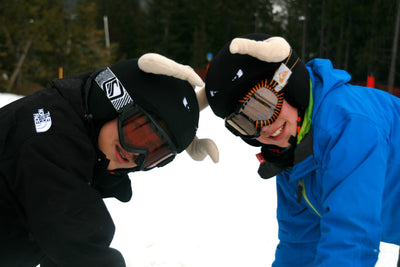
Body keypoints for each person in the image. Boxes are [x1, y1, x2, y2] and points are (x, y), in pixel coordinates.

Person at [0, 53, 218, 266]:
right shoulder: (51, 141)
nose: (136, 154)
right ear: (112, 102)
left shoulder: (72, 120)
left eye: (154, 152)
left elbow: (56, 240)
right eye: (139, 133)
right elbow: (77, 242)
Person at [203, 33, 400, 266]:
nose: (262, 128)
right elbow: (300, 245)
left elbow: (351, 242)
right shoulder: (290, 151)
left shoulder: (348, 125)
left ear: (287, 81)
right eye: (243, 123)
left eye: (262, 105)